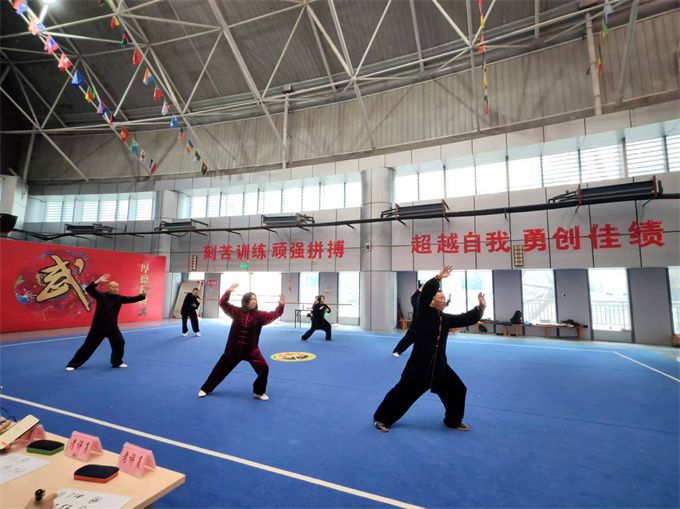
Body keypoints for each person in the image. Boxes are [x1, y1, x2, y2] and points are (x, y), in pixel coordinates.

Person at [373, 265, 485, 432]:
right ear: (431, 301)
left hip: (439, 366)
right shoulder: (423, 313)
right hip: (419, 366)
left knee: (457, 389)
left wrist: (480, 307)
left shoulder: (445, 319)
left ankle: (453, 420)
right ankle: (381, 418)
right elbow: (425, 293)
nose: (444, 300)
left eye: (445, 298)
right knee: (403, 393)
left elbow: (466, 318)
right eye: (441, 297)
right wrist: (438, 277)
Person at [198, 283, 285, 400]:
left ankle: (258, 392)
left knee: (264, 368)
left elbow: (274, 314)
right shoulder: (236, 312)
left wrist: (281, 306)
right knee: (219, 369)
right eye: (251, 299)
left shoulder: (260, 315)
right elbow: (223, 303)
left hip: (252, 351)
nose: (254, 301)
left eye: (255, 299)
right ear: (245, 301)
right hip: (233, 350)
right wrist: (228, 292)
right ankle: (205, 389)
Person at [66, 274, 146, 371]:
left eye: (117, 287)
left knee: (119, 342)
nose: (116, 289)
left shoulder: (119, 298)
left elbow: (132, 299)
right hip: (97, 328)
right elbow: (89, 289)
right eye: (114, 287)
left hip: (112, 328)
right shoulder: (101, 296)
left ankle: (117, 362)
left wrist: (142, 295)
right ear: (108, 288)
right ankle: (73, 364)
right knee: (88, 346)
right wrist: (98, 281)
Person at [392, 283, 423, 356]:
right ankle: (397, 351)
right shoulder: (418, 300)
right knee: (407, 339)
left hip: (425, 328)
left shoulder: (430, 299)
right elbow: (414, 299)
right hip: (415, 327)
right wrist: (420, 289)